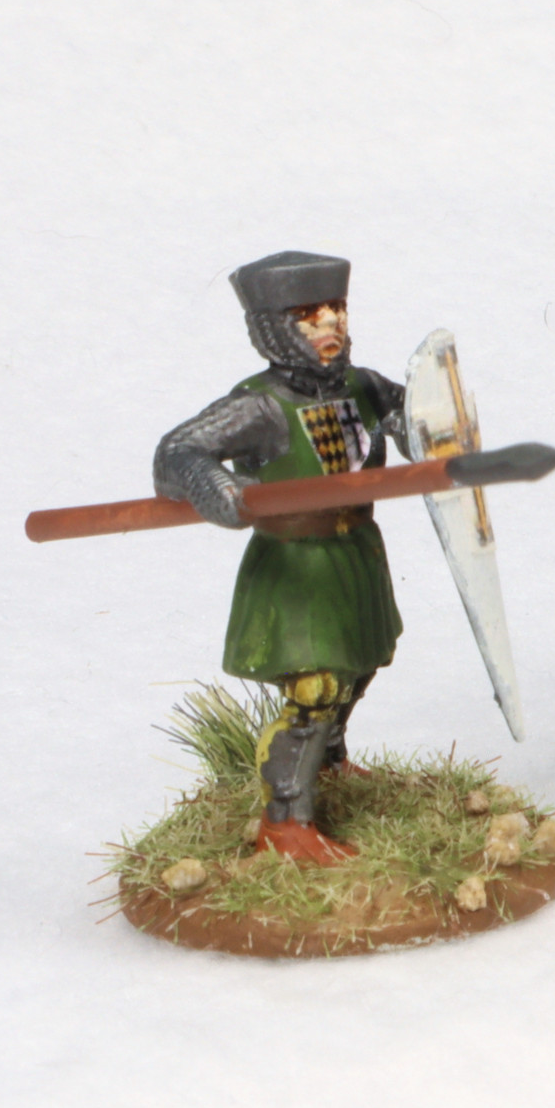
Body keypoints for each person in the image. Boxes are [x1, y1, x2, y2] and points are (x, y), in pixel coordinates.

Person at [153, 250, 407, 864]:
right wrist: (215, 485)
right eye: (309, 317)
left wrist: (419, 423)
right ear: (273, 328)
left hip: (356, 550)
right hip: (297, 565)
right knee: (316, 685)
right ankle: (284, 821)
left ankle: (330, 761)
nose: (330, 325)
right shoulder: (259, 405)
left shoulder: (364, 385)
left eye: (336, 310)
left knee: (360, 666)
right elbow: (177, 452)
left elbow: (413, 409)